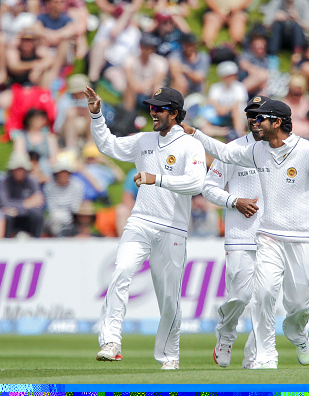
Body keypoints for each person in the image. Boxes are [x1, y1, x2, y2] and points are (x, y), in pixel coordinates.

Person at [182, 98, 309, 368]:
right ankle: (266, 355)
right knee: (264, 293)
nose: (255, 123)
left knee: (299, 304)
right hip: (268, 236)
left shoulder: (308, 152)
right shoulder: (257, 151)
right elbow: (225, 153)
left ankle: (297, 330)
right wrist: (196, 134)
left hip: (303, 238)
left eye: (261, 119)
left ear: (277, 122)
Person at [86, 85, 206, 370]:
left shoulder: (191, 145)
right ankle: (111, 341)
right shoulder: (144, 140)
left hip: (173, 228)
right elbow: (109, 146)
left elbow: (196, 183)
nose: (152, 112)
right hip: (141, 220)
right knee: (121, 271)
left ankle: (169, 355)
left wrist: (158, 179)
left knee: (168, 298)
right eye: (151, 107)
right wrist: (96, 116)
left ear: (174, 113)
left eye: (159, 108)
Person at [203, 95, 276, 369]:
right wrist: (234, 201)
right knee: (240, 296)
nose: (255, 120)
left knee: (265, 298)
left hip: (272, 238)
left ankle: (254, 356)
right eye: (251, 114)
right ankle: (225, 333)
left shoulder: (283, 150)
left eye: (260, 115)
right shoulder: (231, 150)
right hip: (240, 237)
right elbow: (208, 187)